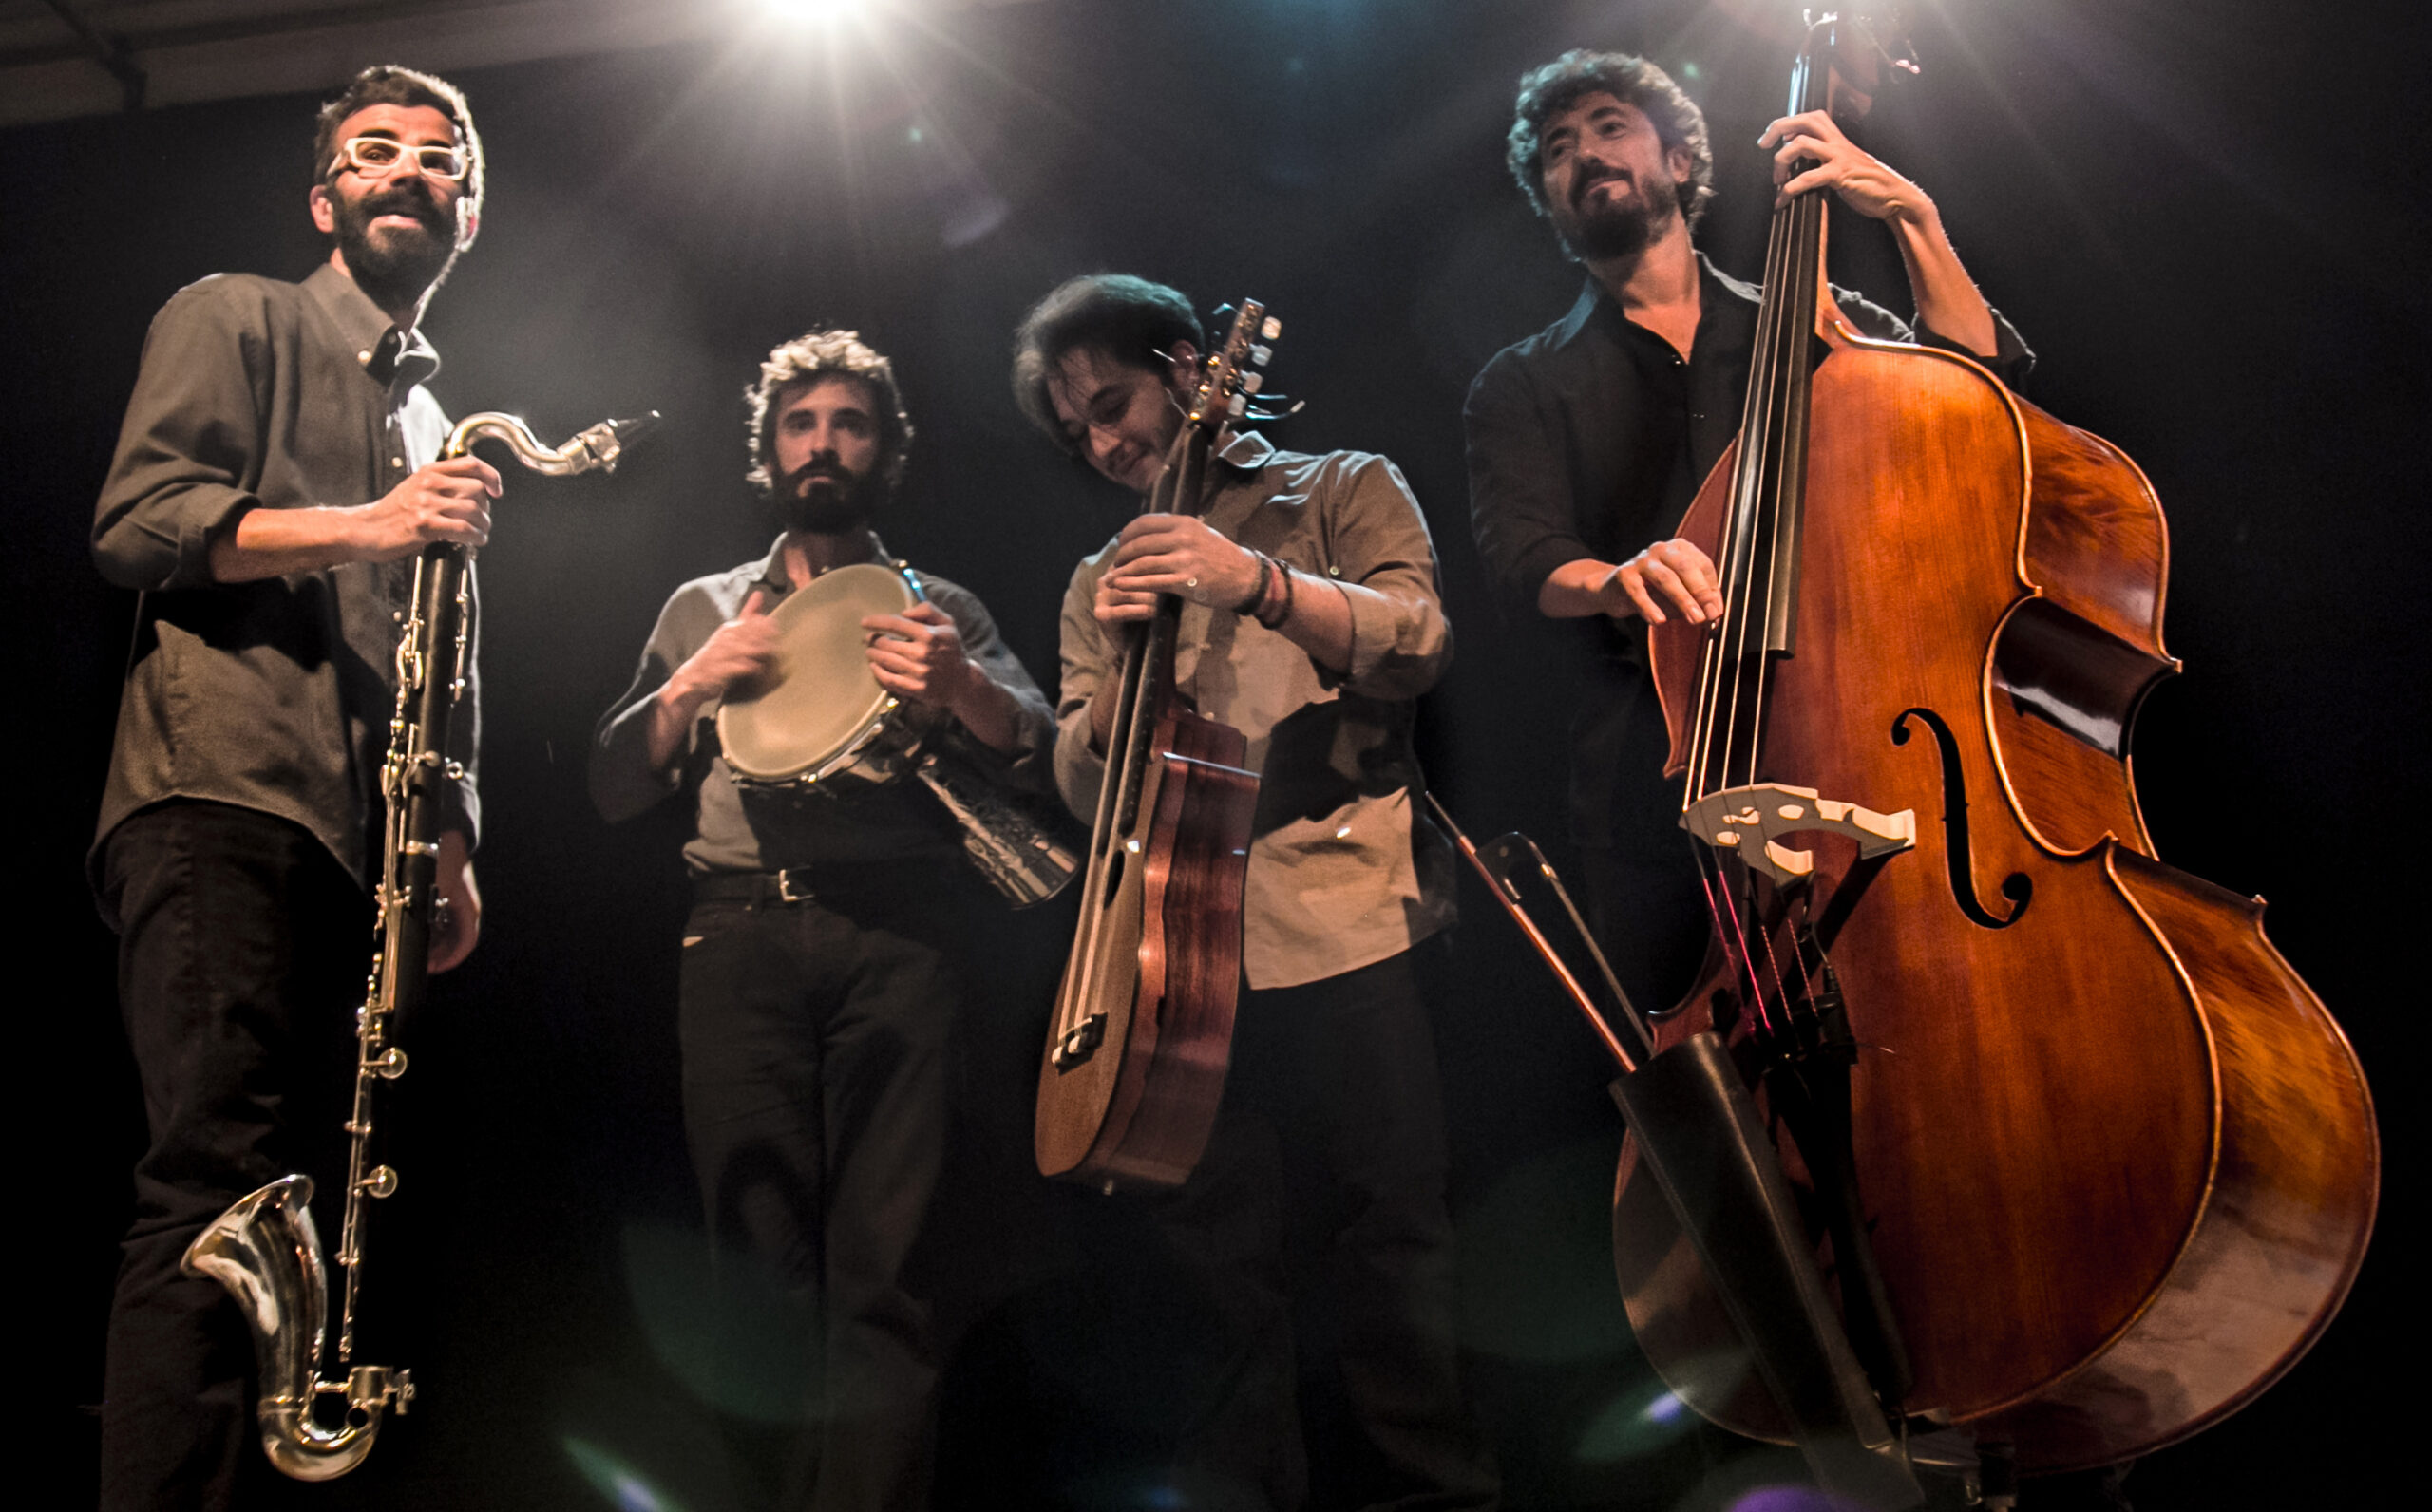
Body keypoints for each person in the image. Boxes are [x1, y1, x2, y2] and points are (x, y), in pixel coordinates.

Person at [1010, 274, 1497, 1511]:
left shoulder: (1337, 486)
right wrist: (1120, 671)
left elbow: (1422, 641)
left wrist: (1258, 583)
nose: (1107, 443)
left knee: (1394, 1269)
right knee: (1221, 1297)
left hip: (1347, 930)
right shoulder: (1094, 580)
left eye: (1113, 402)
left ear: (1188, 364)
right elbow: (1078, 782)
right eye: (1080, 433)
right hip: (1176, 971)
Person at [87, 65, 495, 1512]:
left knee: (300, 1230)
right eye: (372, 152)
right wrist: (371, 523)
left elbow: (438, 648)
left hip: (352, 841)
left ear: (468, 211)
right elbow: (140, 526)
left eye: (439, 159)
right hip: (222, 791)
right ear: (323, 198)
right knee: (215, 1188)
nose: (407, 171)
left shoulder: (437, 417)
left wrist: (449, 834)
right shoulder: (234, 314)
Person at [1461, 48, 2034, 1016]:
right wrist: (1614, 578)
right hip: (1655, 772)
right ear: (1549, 204)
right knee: (1706, 1072)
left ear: (1680, 162)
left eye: (1608, 126)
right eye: (1556, 149)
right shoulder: (1519, 383)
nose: (1583, 154)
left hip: (1856, 736)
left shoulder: (1818, 326)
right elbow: (1523, 562)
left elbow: (1979, 402)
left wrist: (1910, 216)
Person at [590, 329, 1056, 1512]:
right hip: (738, 938)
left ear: (885, 450)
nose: (823, 444)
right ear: (768, 450)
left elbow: (1045, 760)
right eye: (801, 424)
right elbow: (609, 782)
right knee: (752, 1276)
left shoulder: (936, 604)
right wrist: (693, 681)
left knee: (886, 1274)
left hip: (897, 942)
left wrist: (960, 686)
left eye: (850, 424)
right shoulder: (704, 605)